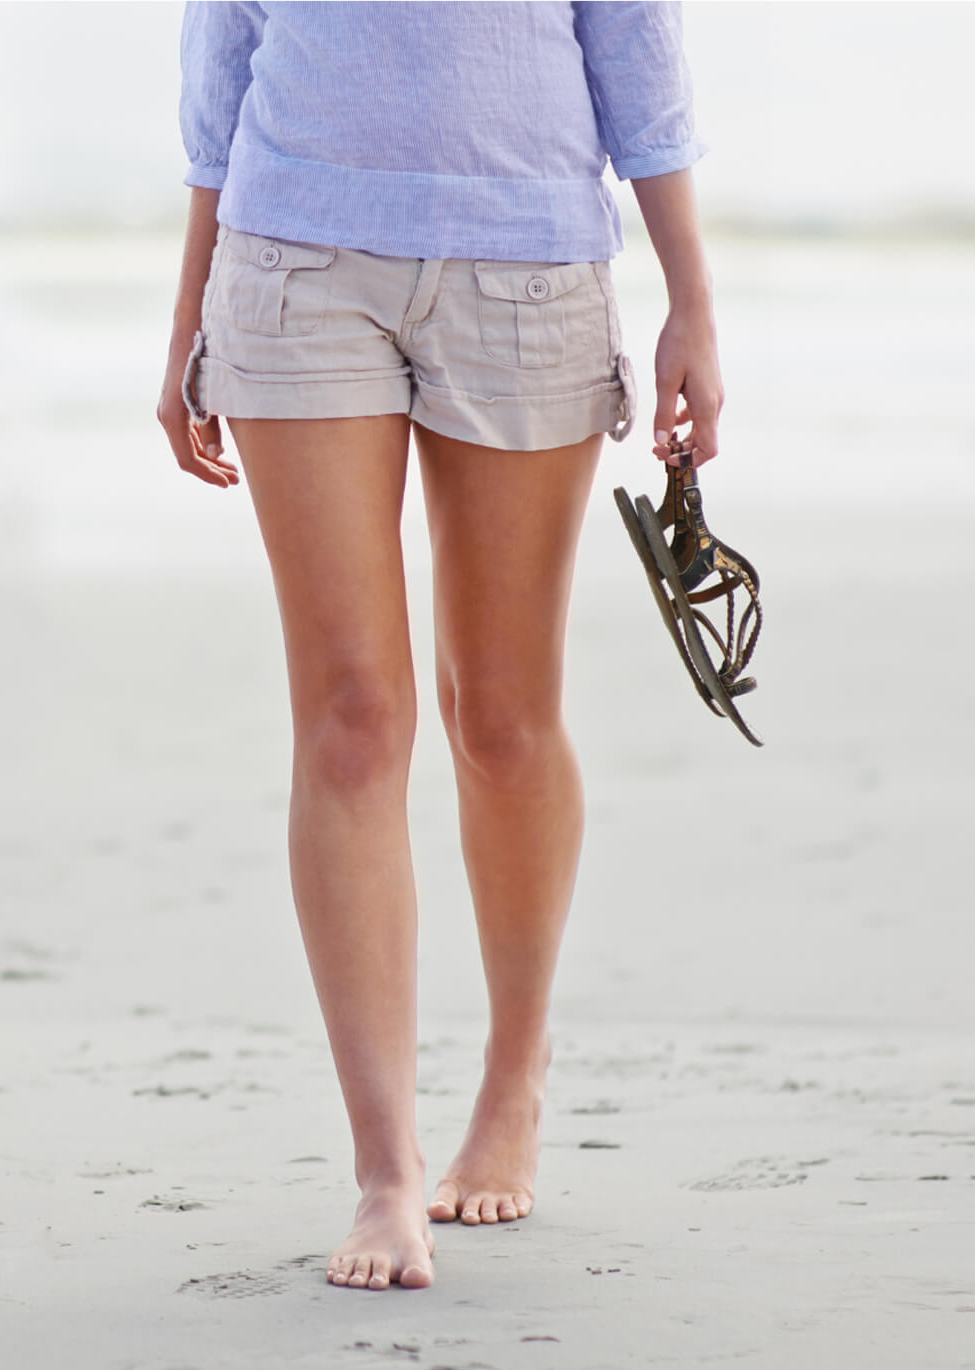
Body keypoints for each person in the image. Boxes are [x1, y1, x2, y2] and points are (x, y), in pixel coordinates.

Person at [157, 1, 724, 1291]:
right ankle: (386, 1172)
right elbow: (221, 64)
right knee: (353, 719)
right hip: (294, 264)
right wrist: (188, 314)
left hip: (527, 266)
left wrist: (691, 298)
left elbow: (633, 41)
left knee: (503, 720)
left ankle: (512, 1083)